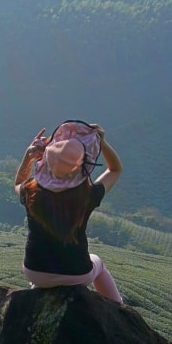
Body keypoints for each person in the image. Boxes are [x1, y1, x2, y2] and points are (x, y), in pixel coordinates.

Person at [13, 124, 124, 304]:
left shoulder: (31, 191)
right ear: (81, 166)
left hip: (34, 271)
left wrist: (28, 157)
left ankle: (39, 293)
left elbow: (18, 182)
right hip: (77, 274)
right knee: (98, 262)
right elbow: (115, 169)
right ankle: (118, 306)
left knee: (45, 276)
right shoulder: (87, 195)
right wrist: (101, 142)